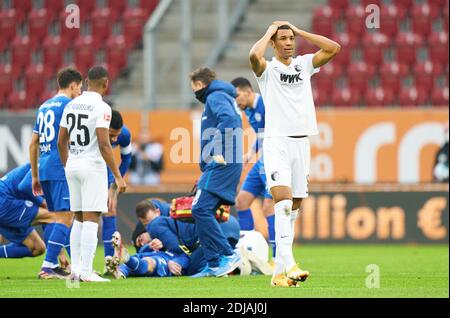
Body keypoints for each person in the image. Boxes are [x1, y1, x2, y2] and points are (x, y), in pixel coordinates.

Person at [249, 21, 340, 287]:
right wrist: (269, 32)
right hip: (277, 142)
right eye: (284, 39)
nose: (289, 43)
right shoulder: (267, 70)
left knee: (295, 206)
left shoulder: (304, 64)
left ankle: (282, 269)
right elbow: (254, 56)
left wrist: (300, 31)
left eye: (291, 39)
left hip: (302, 143)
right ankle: (286, 265)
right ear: (274, 44)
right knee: (284, 203)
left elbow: (334, 48)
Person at [58, 66, 127, 282]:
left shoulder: (71, 104)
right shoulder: (102, 107)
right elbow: (105, 144)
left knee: (78, 218)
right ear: (106, 83)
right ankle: (86, 271)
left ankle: (76, 270)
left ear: (87, 81)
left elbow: (61, 141)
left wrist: (68, 165)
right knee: (91, 218)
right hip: (92, 166)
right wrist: (117, 176)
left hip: (73, 164)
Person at [28, 68, 83, 279]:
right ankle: (48, 266)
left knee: (57, 218)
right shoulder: (70, 105)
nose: (80, 91)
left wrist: (34, 175)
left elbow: (34, 143)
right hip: (61, 166)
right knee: (66, 217)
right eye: (79, 87)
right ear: (72, 85)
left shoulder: (43, 107)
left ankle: (68, 265)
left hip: (44, 168)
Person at [189, 67, 243, 277]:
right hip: (223, 162)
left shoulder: (215, 96)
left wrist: (213, 150)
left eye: (194, 88)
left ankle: (228, 254)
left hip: (222, 162)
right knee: (204, 210)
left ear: (201, 85)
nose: (195, 92)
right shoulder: (221, 96)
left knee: (200, 209)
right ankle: (213, 264)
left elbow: (230, 121)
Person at [230, 77, 276, 260]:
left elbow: (276, 133)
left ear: (248, 91)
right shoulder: (247, 110)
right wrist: (250, 154)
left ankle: (277, 258)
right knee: (241, 201)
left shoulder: (266, 103)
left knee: (269, 207)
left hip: (274, 160)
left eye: (238, 96)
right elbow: (261, 135)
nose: (236, 101)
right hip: (263, 159)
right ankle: (247, 252)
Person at [0, 164, 54, 260]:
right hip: (5, 202)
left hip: (8, 205)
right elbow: (25, 187)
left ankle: (53, 263)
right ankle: (54, 263)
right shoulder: (45, 165)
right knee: (54, 217)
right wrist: (43, 203)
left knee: (37, 248)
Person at [102, 109, 132, 261]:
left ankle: (110, 261)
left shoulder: (125, 134)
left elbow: (126, 159)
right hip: (83, 168)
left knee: (110, 209)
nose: (114, 139)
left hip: (103, 168)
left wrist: (113, 187)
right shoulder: (93, 132)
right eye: (111, 134)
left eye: (117, 135)